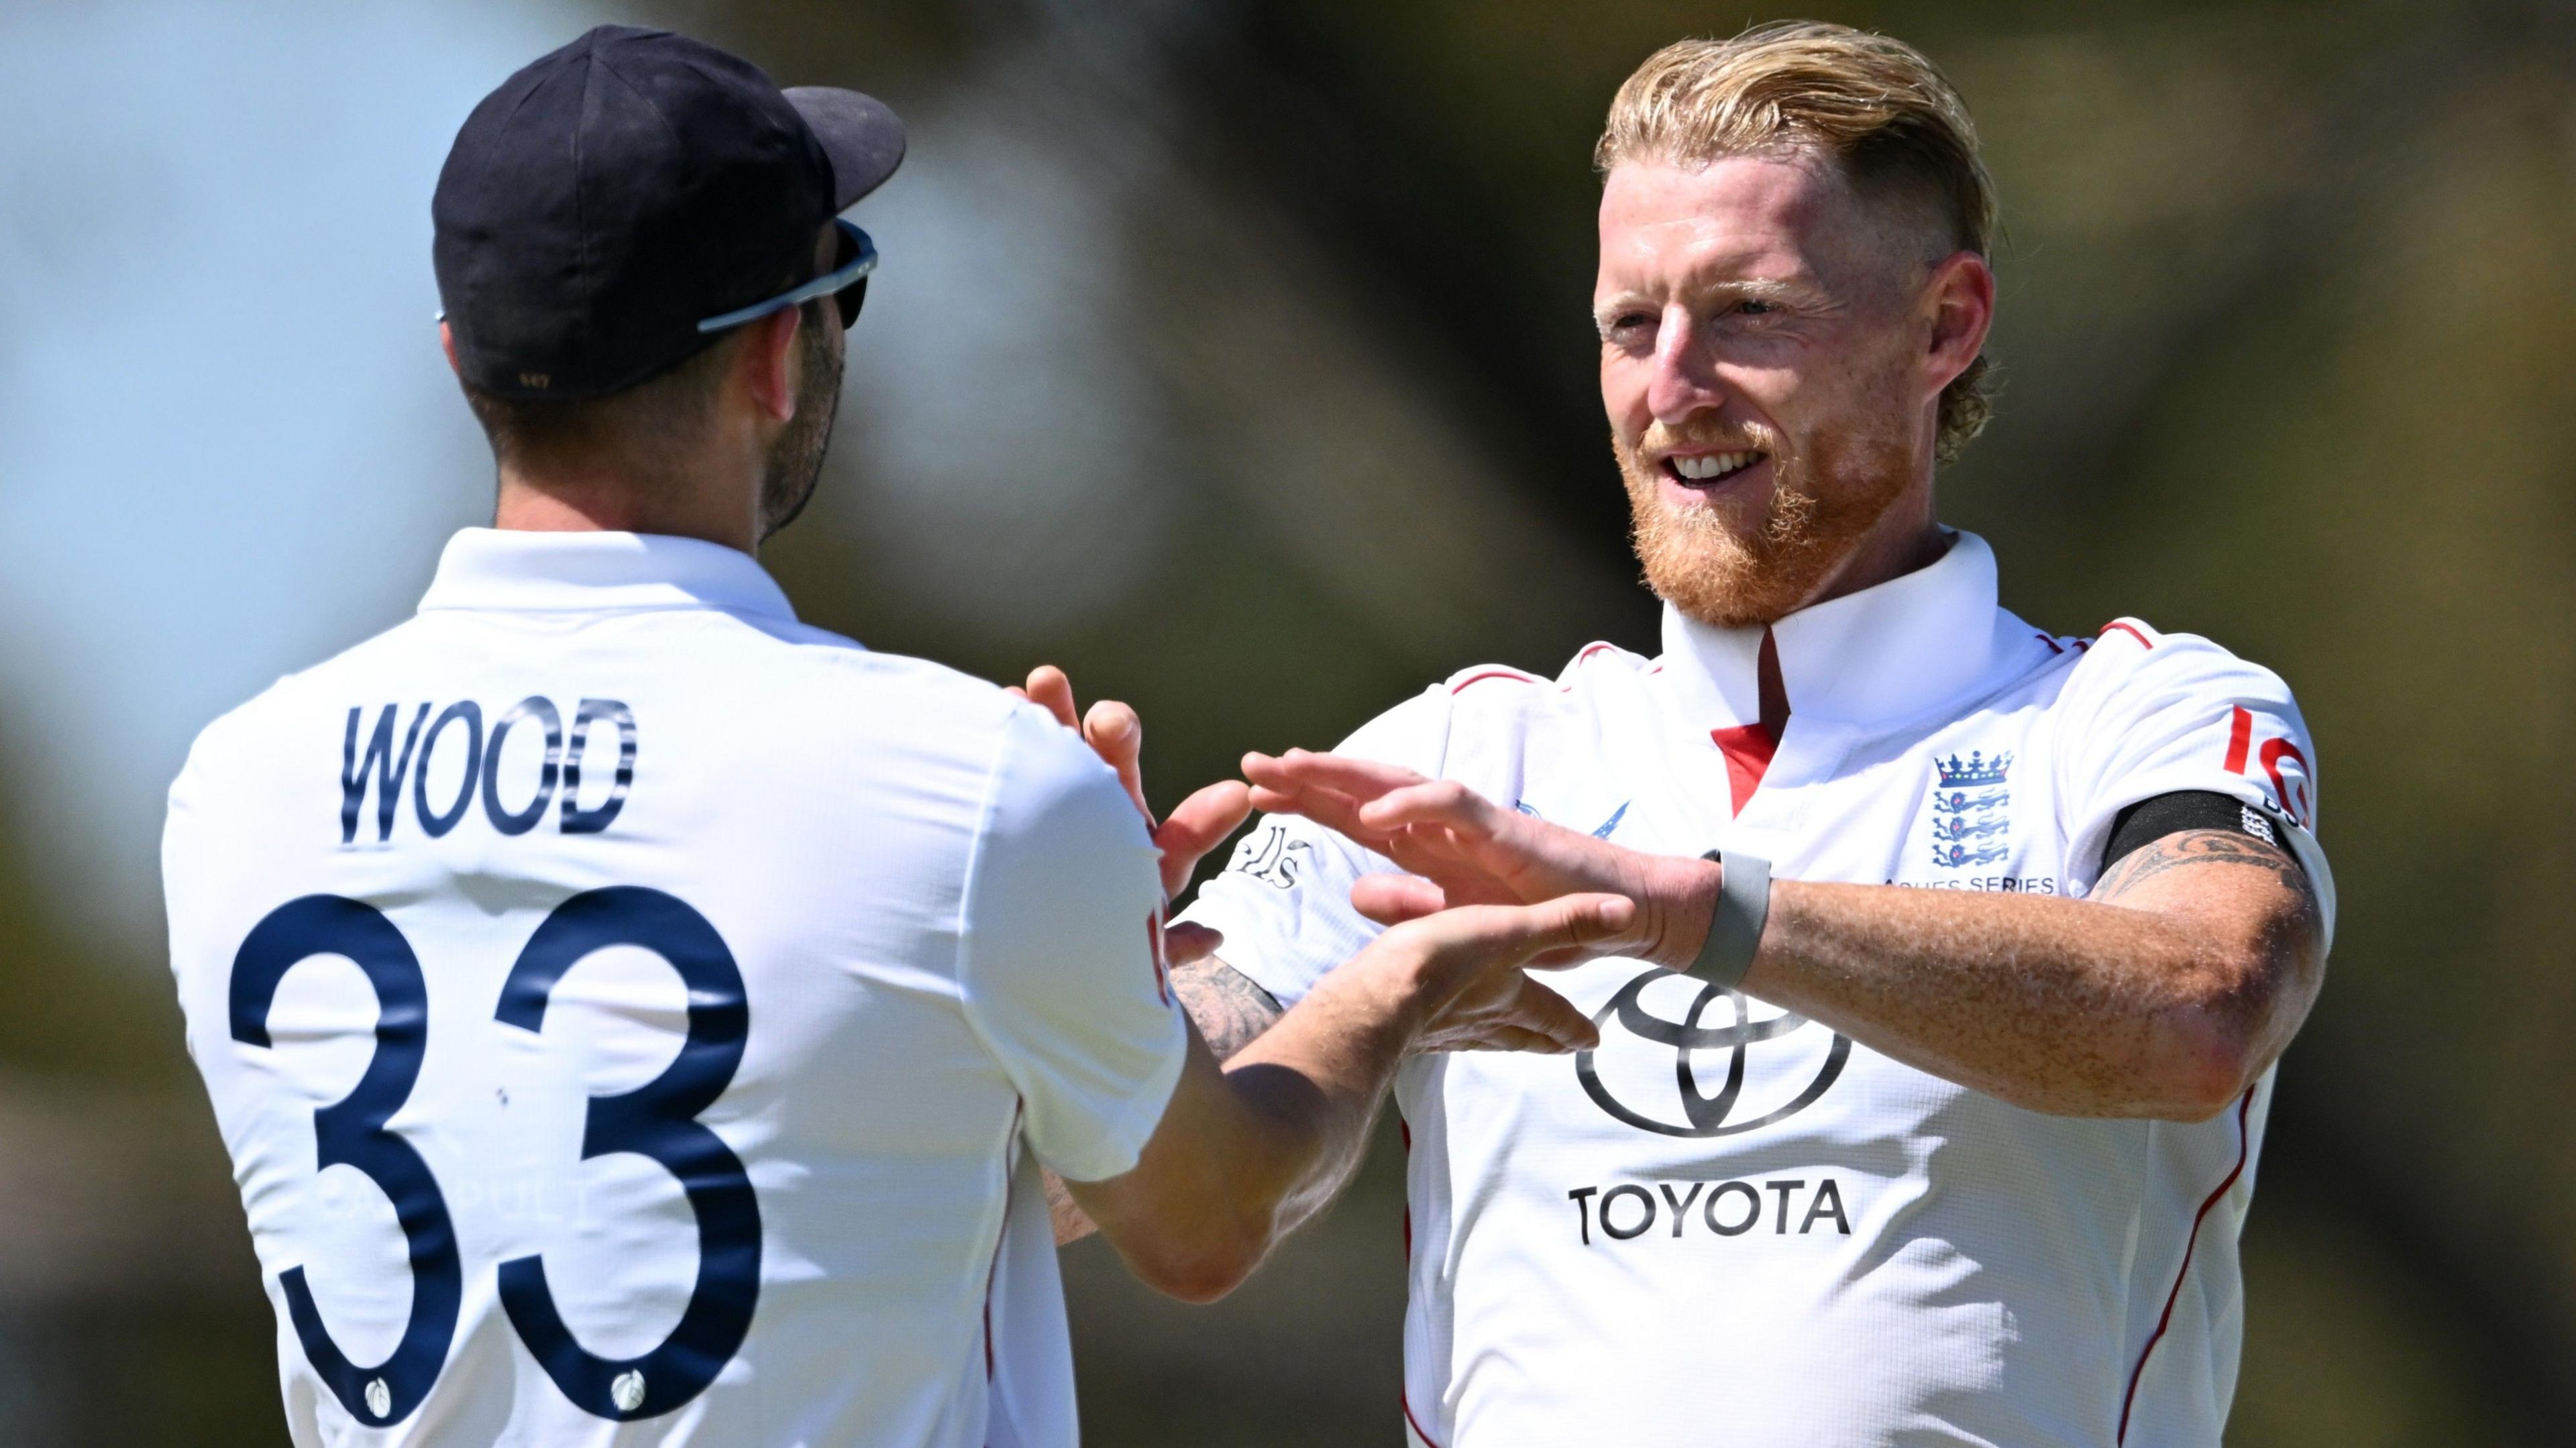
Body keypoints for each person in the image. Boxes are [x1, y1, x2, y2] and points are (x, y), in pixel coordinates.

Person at [160, 25, 1638, 1447]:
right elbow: (1204, 1220)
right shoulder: (964, 782)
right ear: (775, 359)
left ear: (462, 361)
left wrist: (1052, 964)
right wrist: (1394, 991)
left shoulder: (235, 789)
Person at [1061, 20, 2336, 1447]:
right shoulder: (1459, 757)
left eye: (1750, 313)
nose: (1670, 387)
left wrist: (1690, 911)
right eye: (1630, 325)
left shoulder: (2136, 714)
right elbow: (1116, 1193)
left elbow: (2205, 1007)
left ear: (1944, 327)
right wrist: (1064, 972)